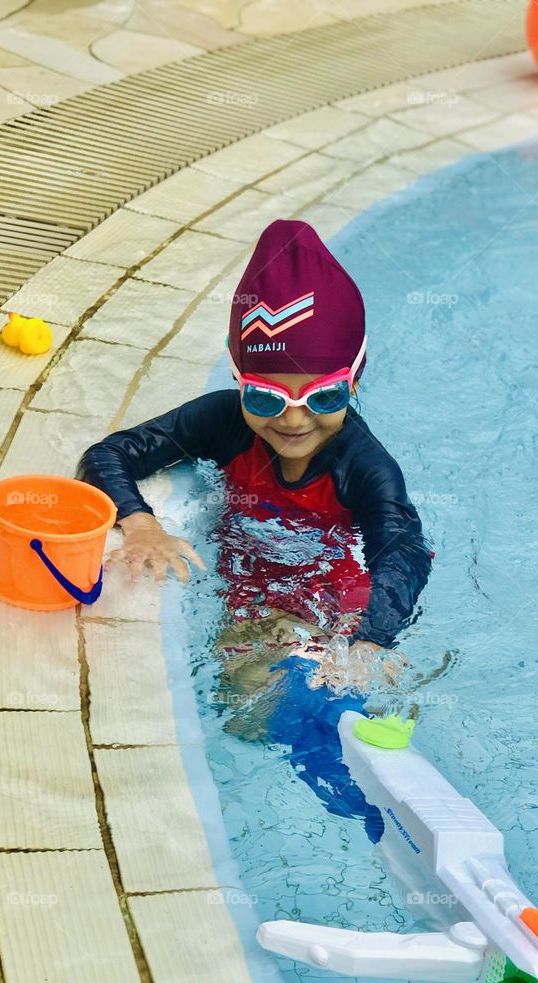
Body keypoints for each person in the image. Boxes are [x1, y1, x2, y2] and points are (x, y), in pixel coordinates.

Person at [77, 219, 433, 742]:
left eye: (324, 398)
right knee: (243, 718)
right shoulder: (222, 420)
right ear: (239, 382)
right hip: (252, 586)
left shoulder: (365, 465)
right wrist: (141, 524)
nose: (293, 420)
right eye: (266, 399)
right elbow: (111, 454)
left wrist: (374, 637)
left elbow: (402, 552)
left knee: (320, 706)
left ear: (354, 380)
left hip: (340, 599)